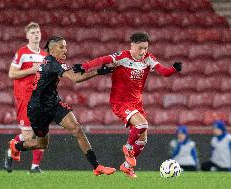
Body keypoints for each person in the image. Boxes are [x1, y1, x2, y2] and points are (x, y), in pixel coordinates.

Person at [73, 32, 182, 178]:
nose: (143, 51)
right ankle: (128, 147)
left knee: (143, 140)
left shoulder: (148, 58)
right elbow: (103, 59)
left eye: (145, 48)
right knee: (142, 125)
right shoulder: (122, 57)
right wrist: (85, 66)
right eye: (140, 48)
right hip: (120, 102)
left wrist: (174, 69)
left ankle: (126, 166)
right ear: (132, 46)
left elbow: (164, 71)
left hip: (136, 103)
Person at [8, 36, 116, 176]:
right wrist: (99, 71)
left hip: (53, 103)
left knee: (77, 129)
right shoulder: (52, 63)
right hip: (38, 109)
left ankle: (96, 166)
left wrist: (87, 67)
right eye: (61, 47)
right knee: (41, 144)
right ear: (52, 50)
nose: (65, 50)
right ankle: (15, 146)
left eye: (65, 46)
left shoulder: (56, 62)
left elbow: (73, 73)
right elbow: (75, 79)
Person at [4, 22, 47, 173]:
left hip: (40, 99)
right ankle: (12, 149)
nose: (36, 34)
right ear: (27, 35)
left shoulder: (44, 55)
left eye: (38, 32)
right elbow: (12, 74)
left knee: (42, 132)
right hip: (25, 98)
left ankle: (35, 167)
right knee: (29, 137)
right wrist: (31, 70)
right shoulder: (21, 53)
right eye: (33, 32)